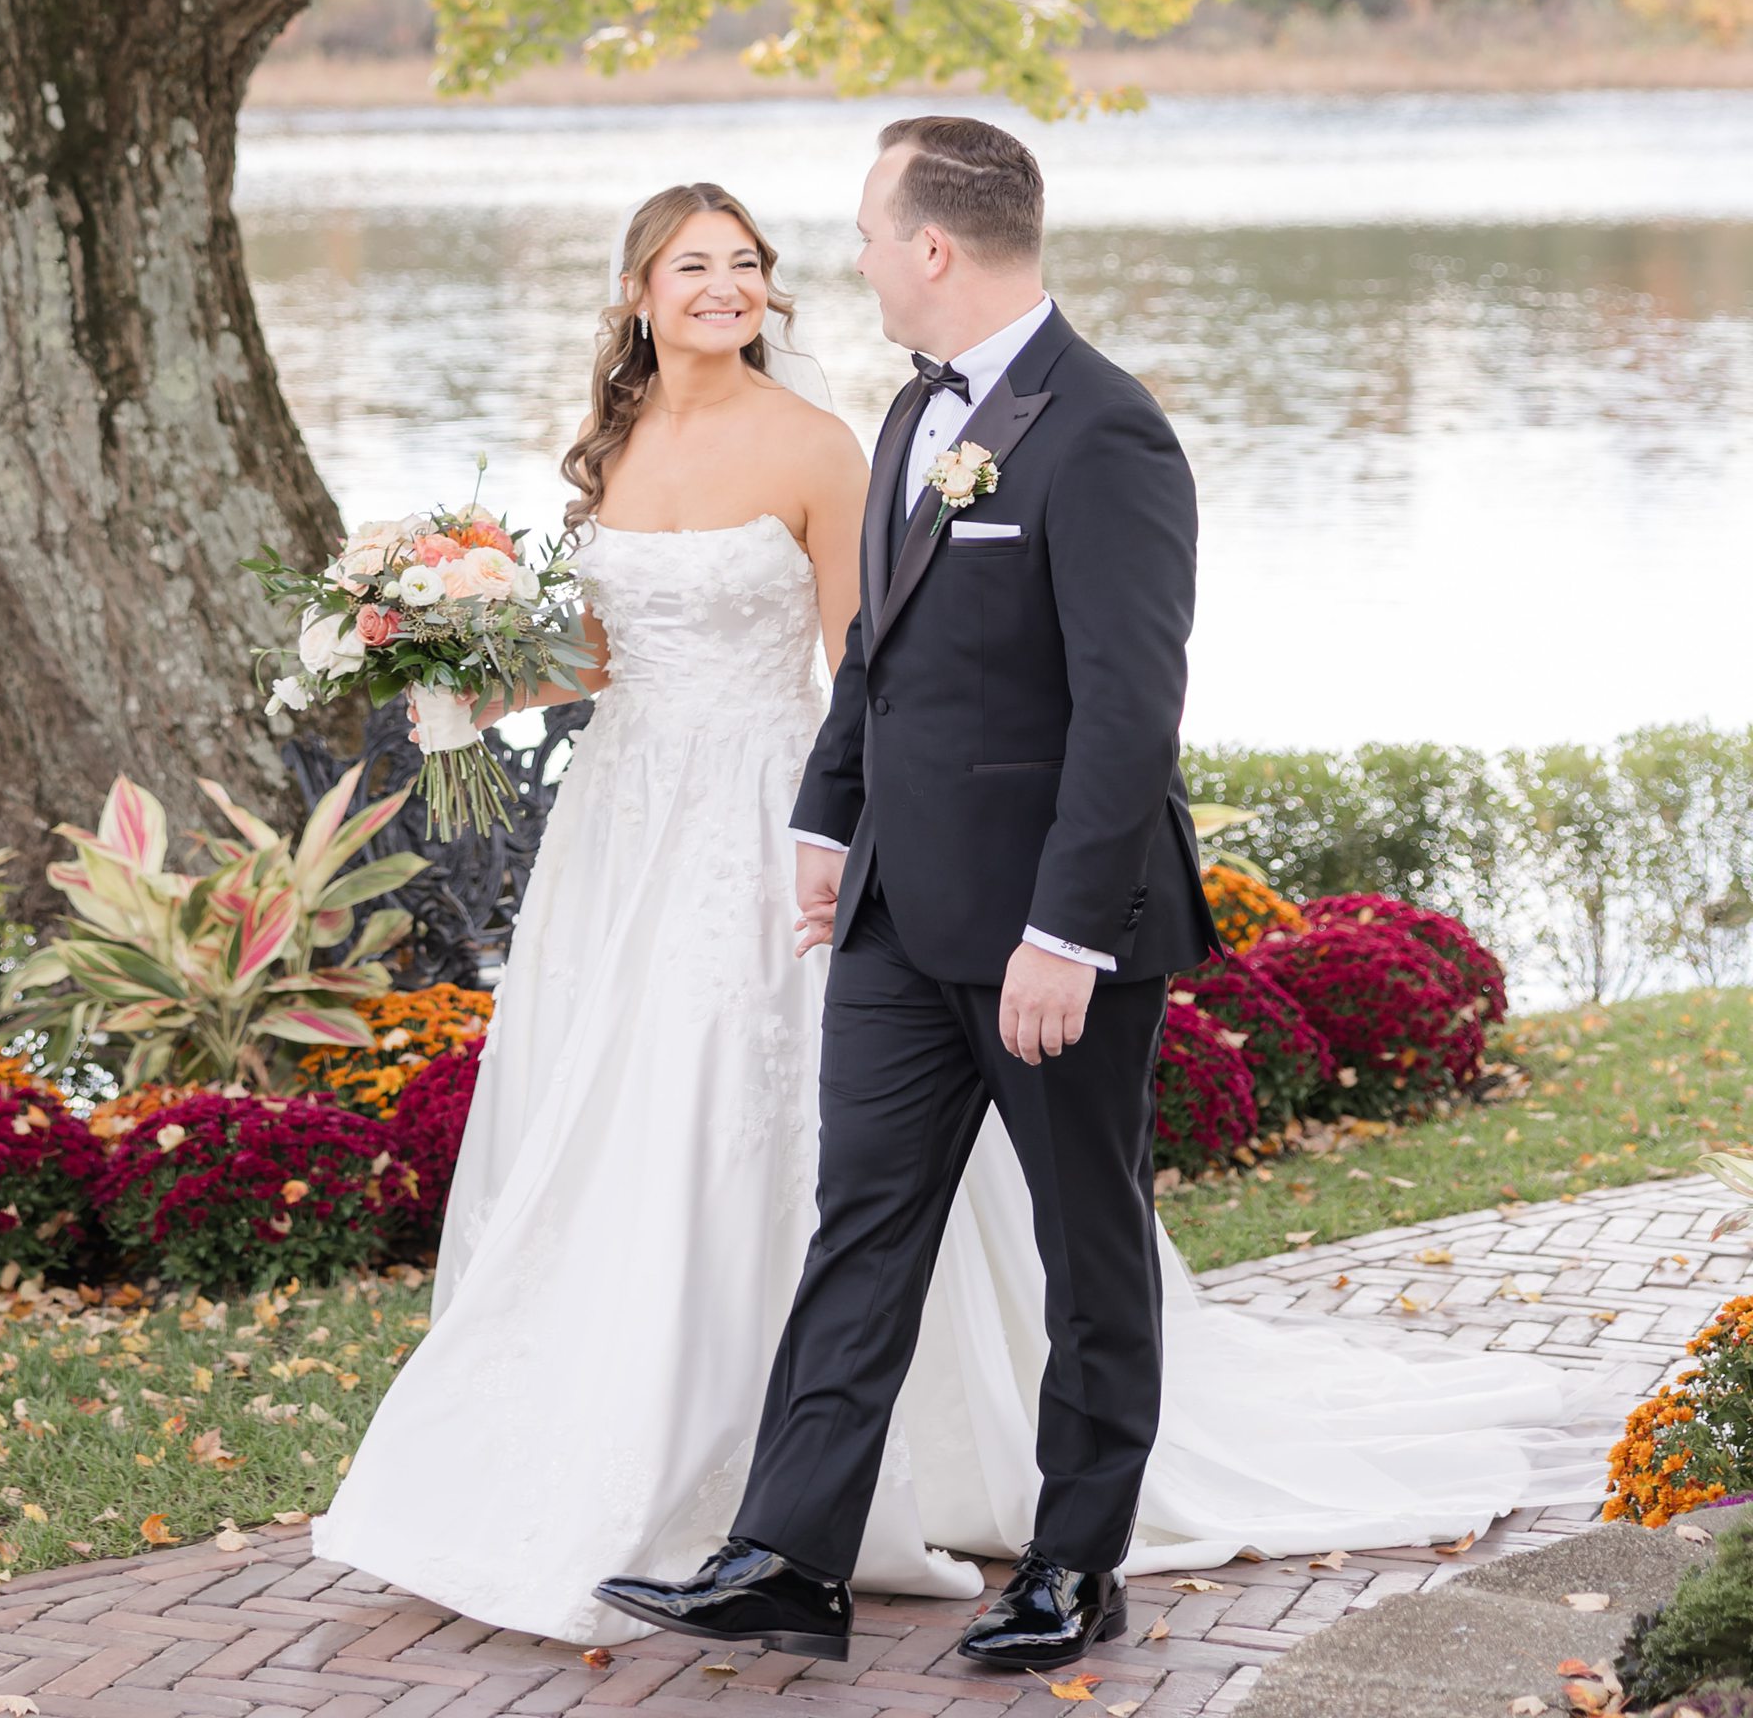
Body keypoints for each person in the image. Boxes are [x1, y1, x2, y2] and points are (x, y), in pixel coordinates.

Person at [315, 131, 1573, 1656]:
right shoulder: (919, 414)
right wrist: (827, 825)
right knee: (864, 1225)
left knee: (1084, 1239)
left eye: (852, 238)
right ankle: (788, 1556)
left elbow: (1128, 712)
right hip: (892, 915)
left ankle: (1074, 1563)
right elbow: (883, 672)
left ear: (931, 249)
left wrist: (1063, 935)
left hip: (1050, 928)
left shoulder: (1105, 431)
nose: (828, 266)